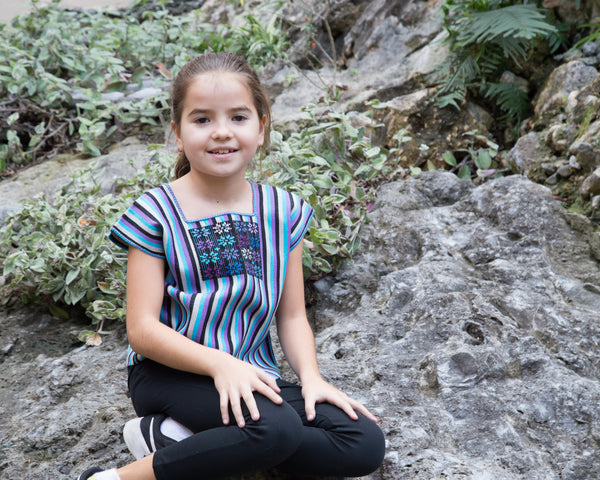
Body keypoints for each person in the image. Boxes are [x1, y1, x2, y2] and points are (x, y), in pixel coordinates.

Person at [78, 52, 385, 480]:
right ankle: (117, 478)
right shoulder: (155, 213)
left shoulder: (283, 211)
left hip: (254, 374)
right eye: (201, 120)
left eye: (238, 117)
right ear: (178, 134)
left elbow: (292, 315)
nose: (221, 132)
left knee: (363, 442)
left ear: (261, 127)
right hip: (171, 375)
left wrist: (312, 379)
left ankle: (178, 441)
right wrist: (221, 365)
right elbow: (142, 330)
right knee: (275, 431)